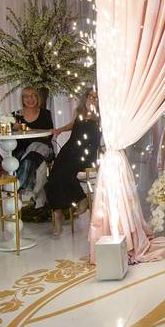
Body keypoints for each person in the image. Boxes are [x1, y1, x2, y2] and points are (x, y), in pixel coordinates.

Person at [46, 88, 101, 236]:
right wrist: (59, 130)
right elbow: (72, 125)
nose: (91, 99)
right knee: (52, 178)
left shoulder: (102, 116)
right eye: (89, 96)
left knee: (64, 173)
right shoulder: (79, 111)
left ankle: (81, 198)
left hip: (86, 153)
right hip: (70, 149)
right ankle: (58, 213)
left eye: (95, 97)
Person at [11, 86, 54, 204]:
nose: (30, 99)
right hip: (22, 152)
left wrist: (28, 130)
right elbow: (3, 132)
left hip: (43, 149)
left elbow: (48, 136)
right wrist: (13, 127)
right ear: (22, 99)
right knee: (30, 158)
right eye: (26, 96)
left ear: (37, 97)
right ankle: (37, 197)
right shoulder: (15, 116)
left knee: (32, 151)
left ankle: (20, 189)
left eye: (33, 95)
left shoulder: (45, 114)